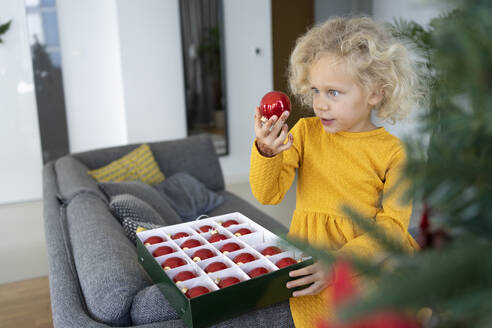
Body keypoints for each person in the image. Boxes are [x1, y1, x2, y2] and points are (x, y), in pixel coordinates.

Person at [250, 16, 422, 327]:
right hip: (311, 257)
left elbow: (394, 227)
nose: (320, 104)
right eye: (315, 90)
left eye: (334, 93)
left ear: (375, 93)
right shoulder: (304, 132)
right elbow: (268, 194)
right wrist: (266, 151)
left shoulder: (395, 152)